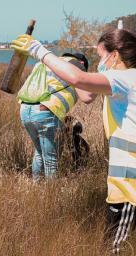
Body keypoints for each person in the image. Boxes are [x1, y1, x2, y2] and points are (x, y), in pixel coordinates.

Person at [11, 27, 136, 254]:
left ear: (115, 55)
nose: (100, 62)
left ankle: (45, 192)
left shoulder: (123, 78)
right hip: (122, 184)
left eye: (101, 56)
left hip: (129, 187)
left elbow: (78, 78)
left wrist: (38, 50)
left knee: (115, 249)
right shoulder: (127, 79)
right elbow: (87, 93)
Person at [18, 52, 94, 181]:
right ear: (82, 63)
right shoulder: (76, 65)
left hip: (25, 109)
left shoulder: (50, 62)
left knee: (40, 153)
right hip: (45, 111)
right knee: (51, 160)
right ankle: (50, 195)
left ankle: (36, 187)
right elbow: (87, 96)